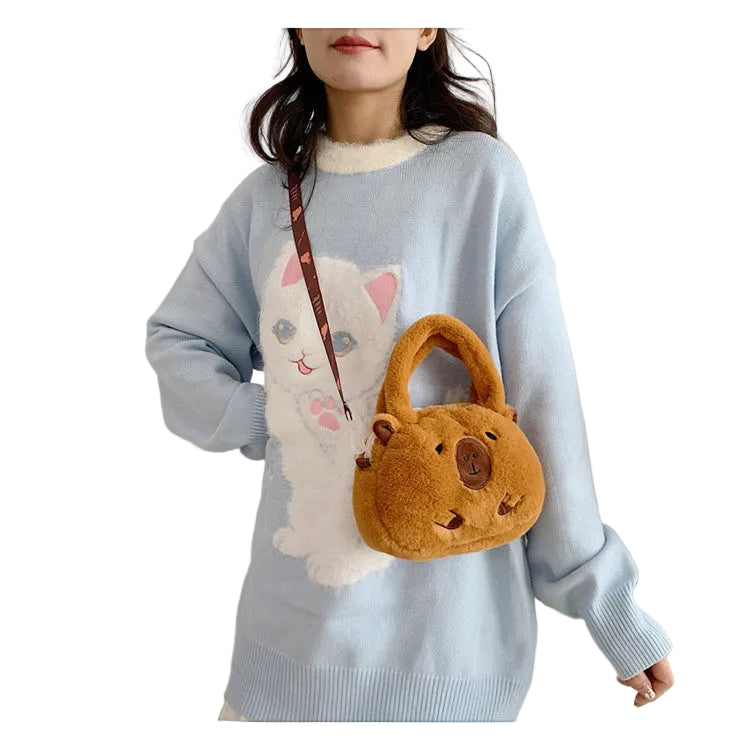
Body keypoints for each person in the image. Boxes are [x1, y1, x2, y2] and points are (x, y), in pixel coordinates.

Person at [145, 28, 675, 722]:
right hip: (289, 654)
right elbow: (179, 339)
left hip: (452, 655)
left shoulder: (481, 179)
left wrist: (608, 606)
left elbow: (543, 402)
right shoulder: (264, 202)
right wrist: (276, 419)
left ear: (427, 28)